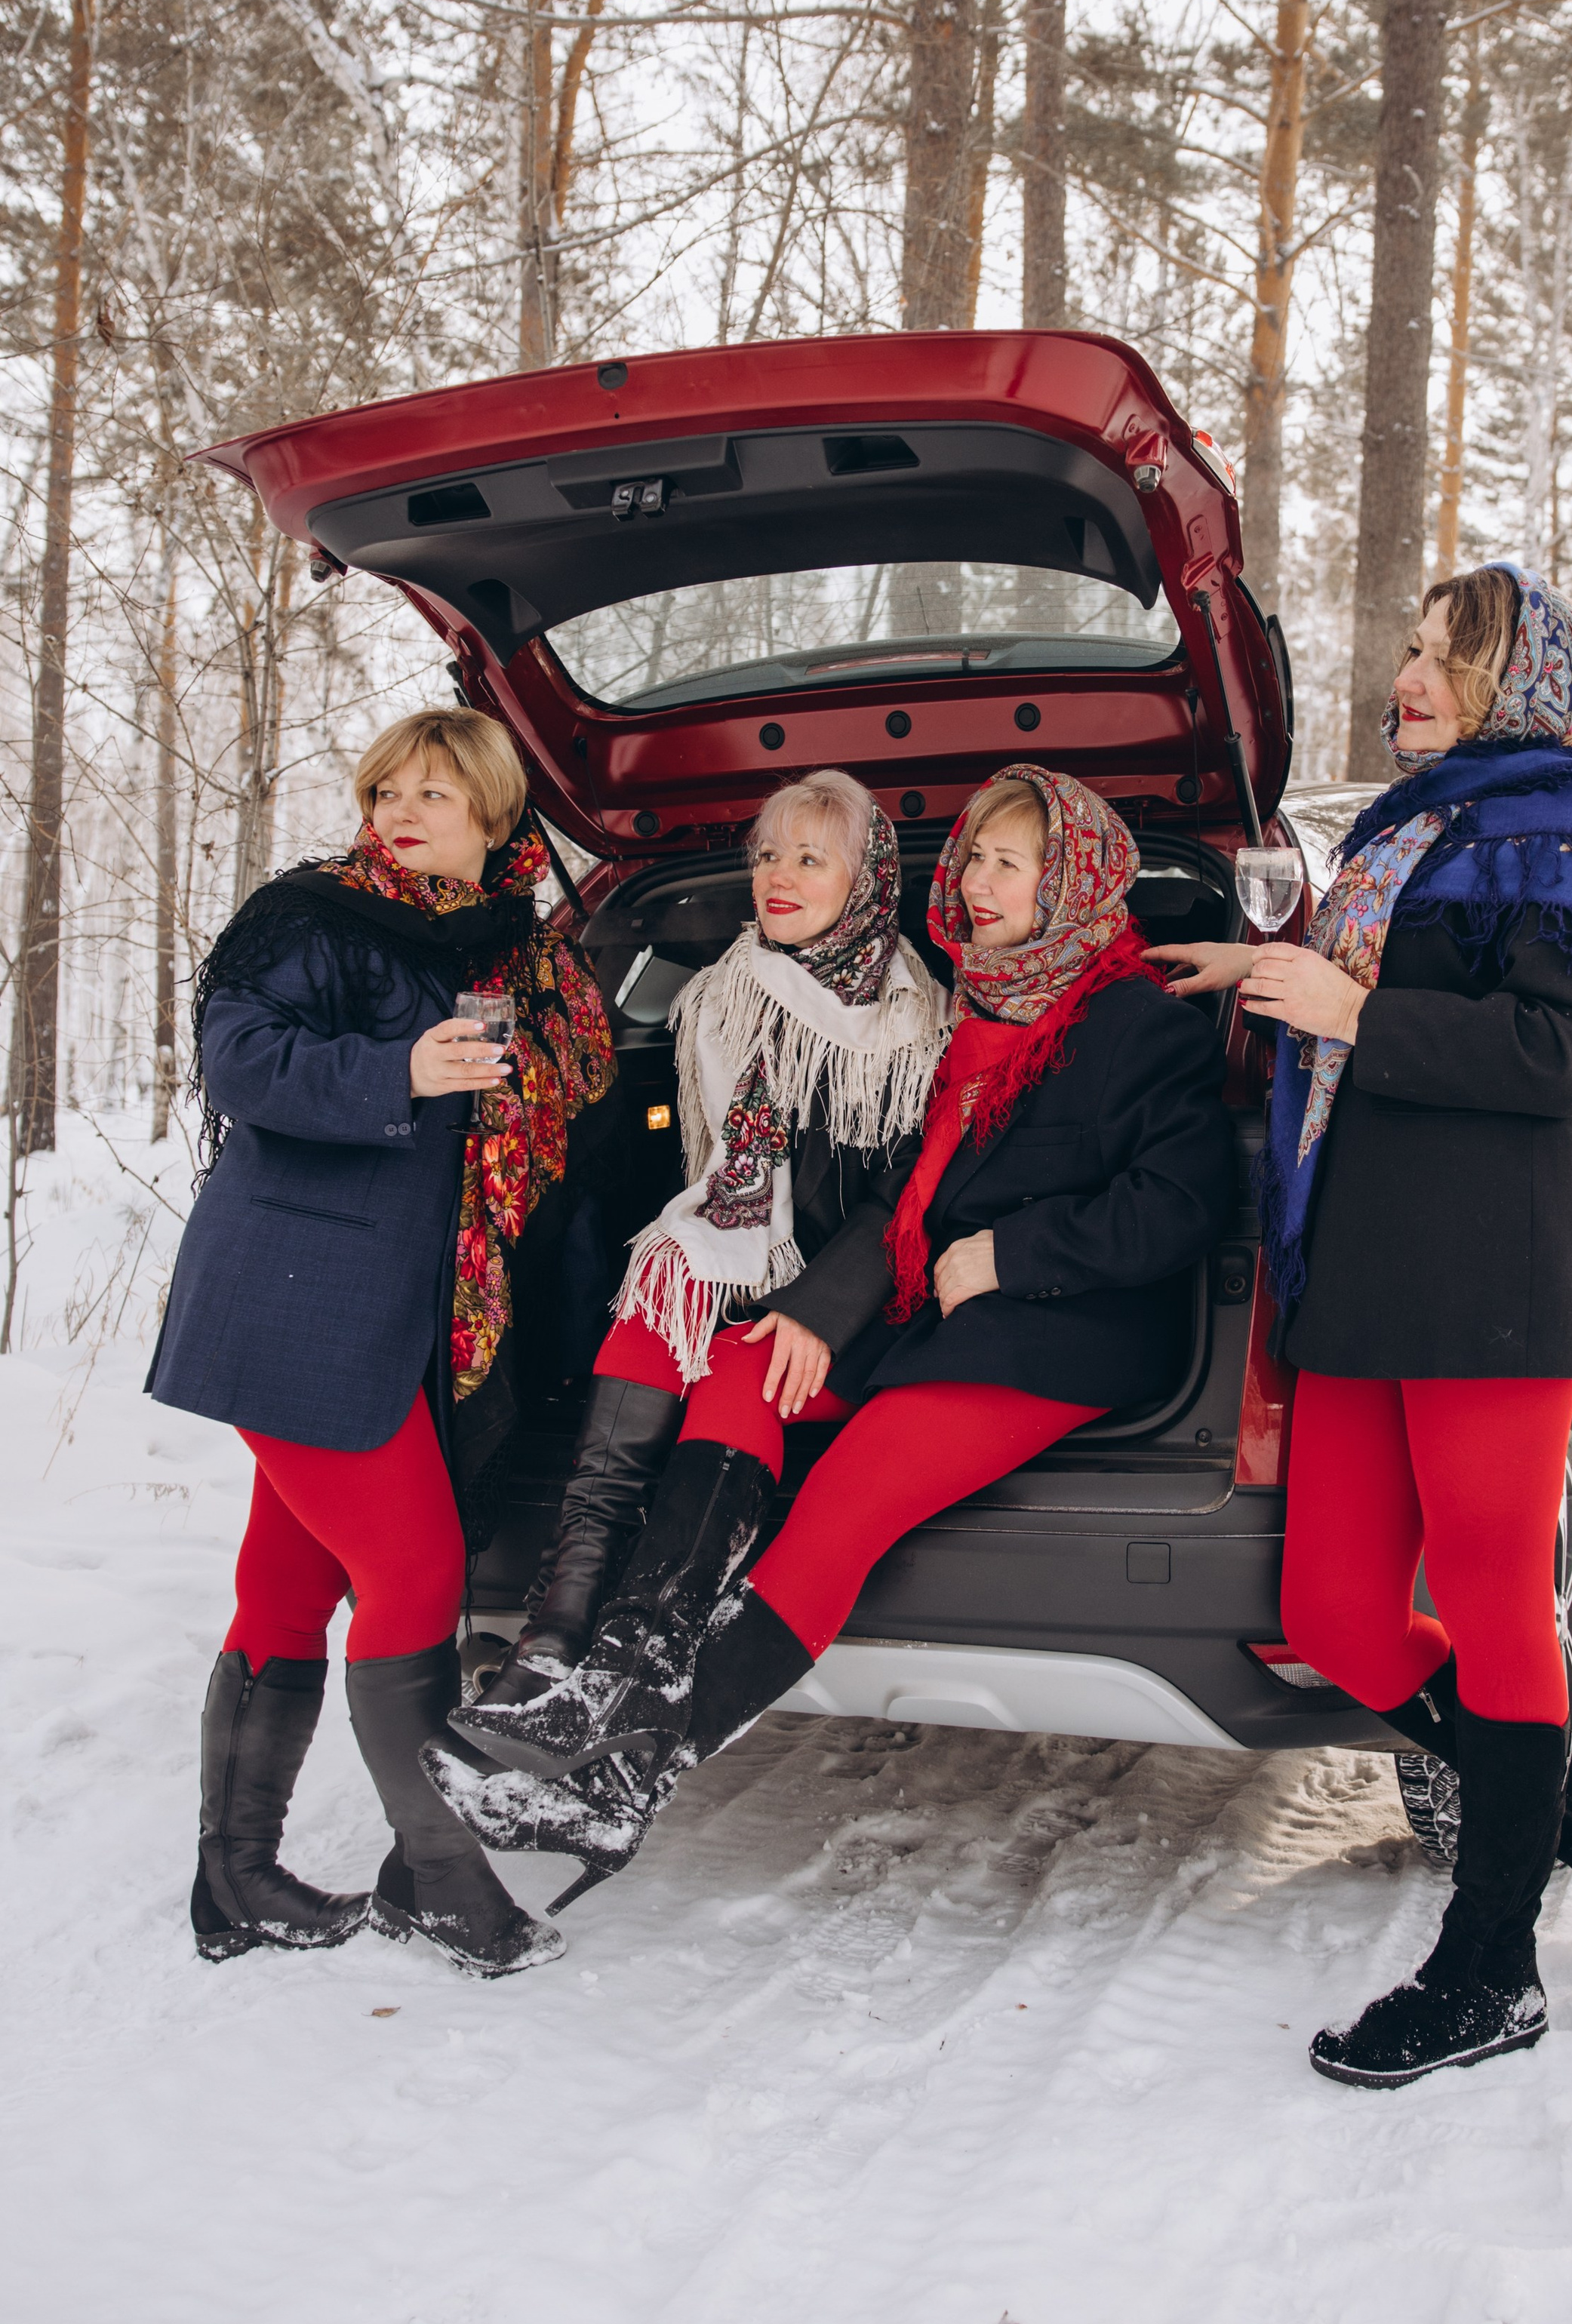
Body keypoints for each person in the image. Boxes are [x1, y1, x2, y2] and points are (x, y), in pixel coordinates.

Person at [430, 764, 1237, 1904]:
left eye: (1014, 861)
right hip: (934, 1317)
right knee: (745, 1369)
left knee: (847, 1495)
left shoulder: (1136, 1023)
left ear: (1075, 881)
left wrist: (1010, 1255)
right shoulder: (971, 1013)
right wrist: (816, 1310)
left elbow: (1182, 1204)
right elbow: (900, 1193)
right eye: (976, 859)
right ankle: (624, 1665)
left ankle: (636, 1772)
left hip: (1057, 1336)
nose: (980, 879)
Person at [1155, 564, 1572, 2088]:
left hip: (1490, 1267)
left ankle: (1491, 1968)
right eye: (1406, 647)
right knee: (1336, 1611)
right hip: (1364, 1263)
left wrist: (1348, 1019)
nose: (1408, 674)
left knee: (1488, 1609)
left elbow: (1554, 1053)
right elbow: (1368, 979)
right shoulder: (1418, 824)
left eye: (1445, 655)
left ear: (1517, 679)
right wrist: (1264, 978)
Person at [150, 706, 616, 1976]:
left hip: (394, 1318)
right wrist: (399, 1071)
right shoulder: (316, 917)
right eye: (390, 789)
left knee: (289, 1587)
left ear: (495, 820)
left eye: (439, 794)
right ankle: (444, 1884)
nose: (406, 812)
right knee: (417, 1573)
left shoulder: (518, 952)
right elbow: (240, 1062)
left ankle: (233, 1882)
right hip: (293, 1294)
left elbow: (572, 1094)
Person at [475, 767, 948, 1717]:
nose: (778, 875)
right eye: (768, 853)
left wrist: (812, 1310)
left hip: (856, 1307)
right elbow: (691, 1169)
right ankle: (557, 1629)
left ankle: (638, 1642)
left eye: (811, 857)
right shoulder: (723, 993)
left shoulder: (917, 1025)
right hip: (736, 1268)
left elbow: (904, 1204)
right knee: (655, 1296)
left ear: (864, 879)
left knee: (732, 1354)